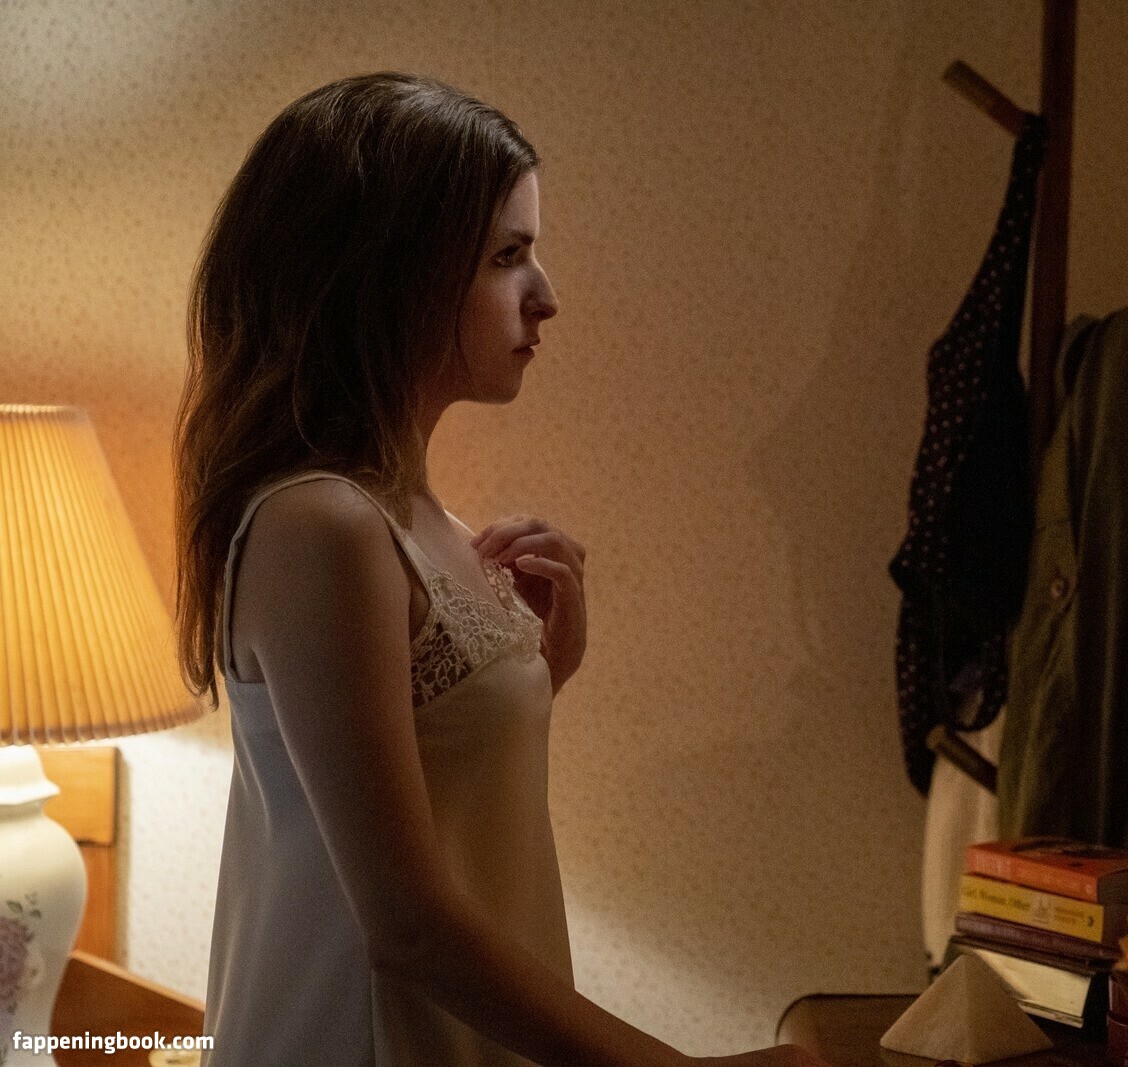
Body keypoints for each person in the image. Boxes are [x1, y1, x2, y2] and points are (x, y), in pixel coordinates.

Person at [173, 71, 834, 1067]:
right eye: (508, 255)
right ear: (389, 271)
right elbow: (408, 927)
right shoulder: (320, 526)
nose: (548, 297)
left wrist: (539, 676)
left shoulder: (417, 519)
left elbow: (438, 791)